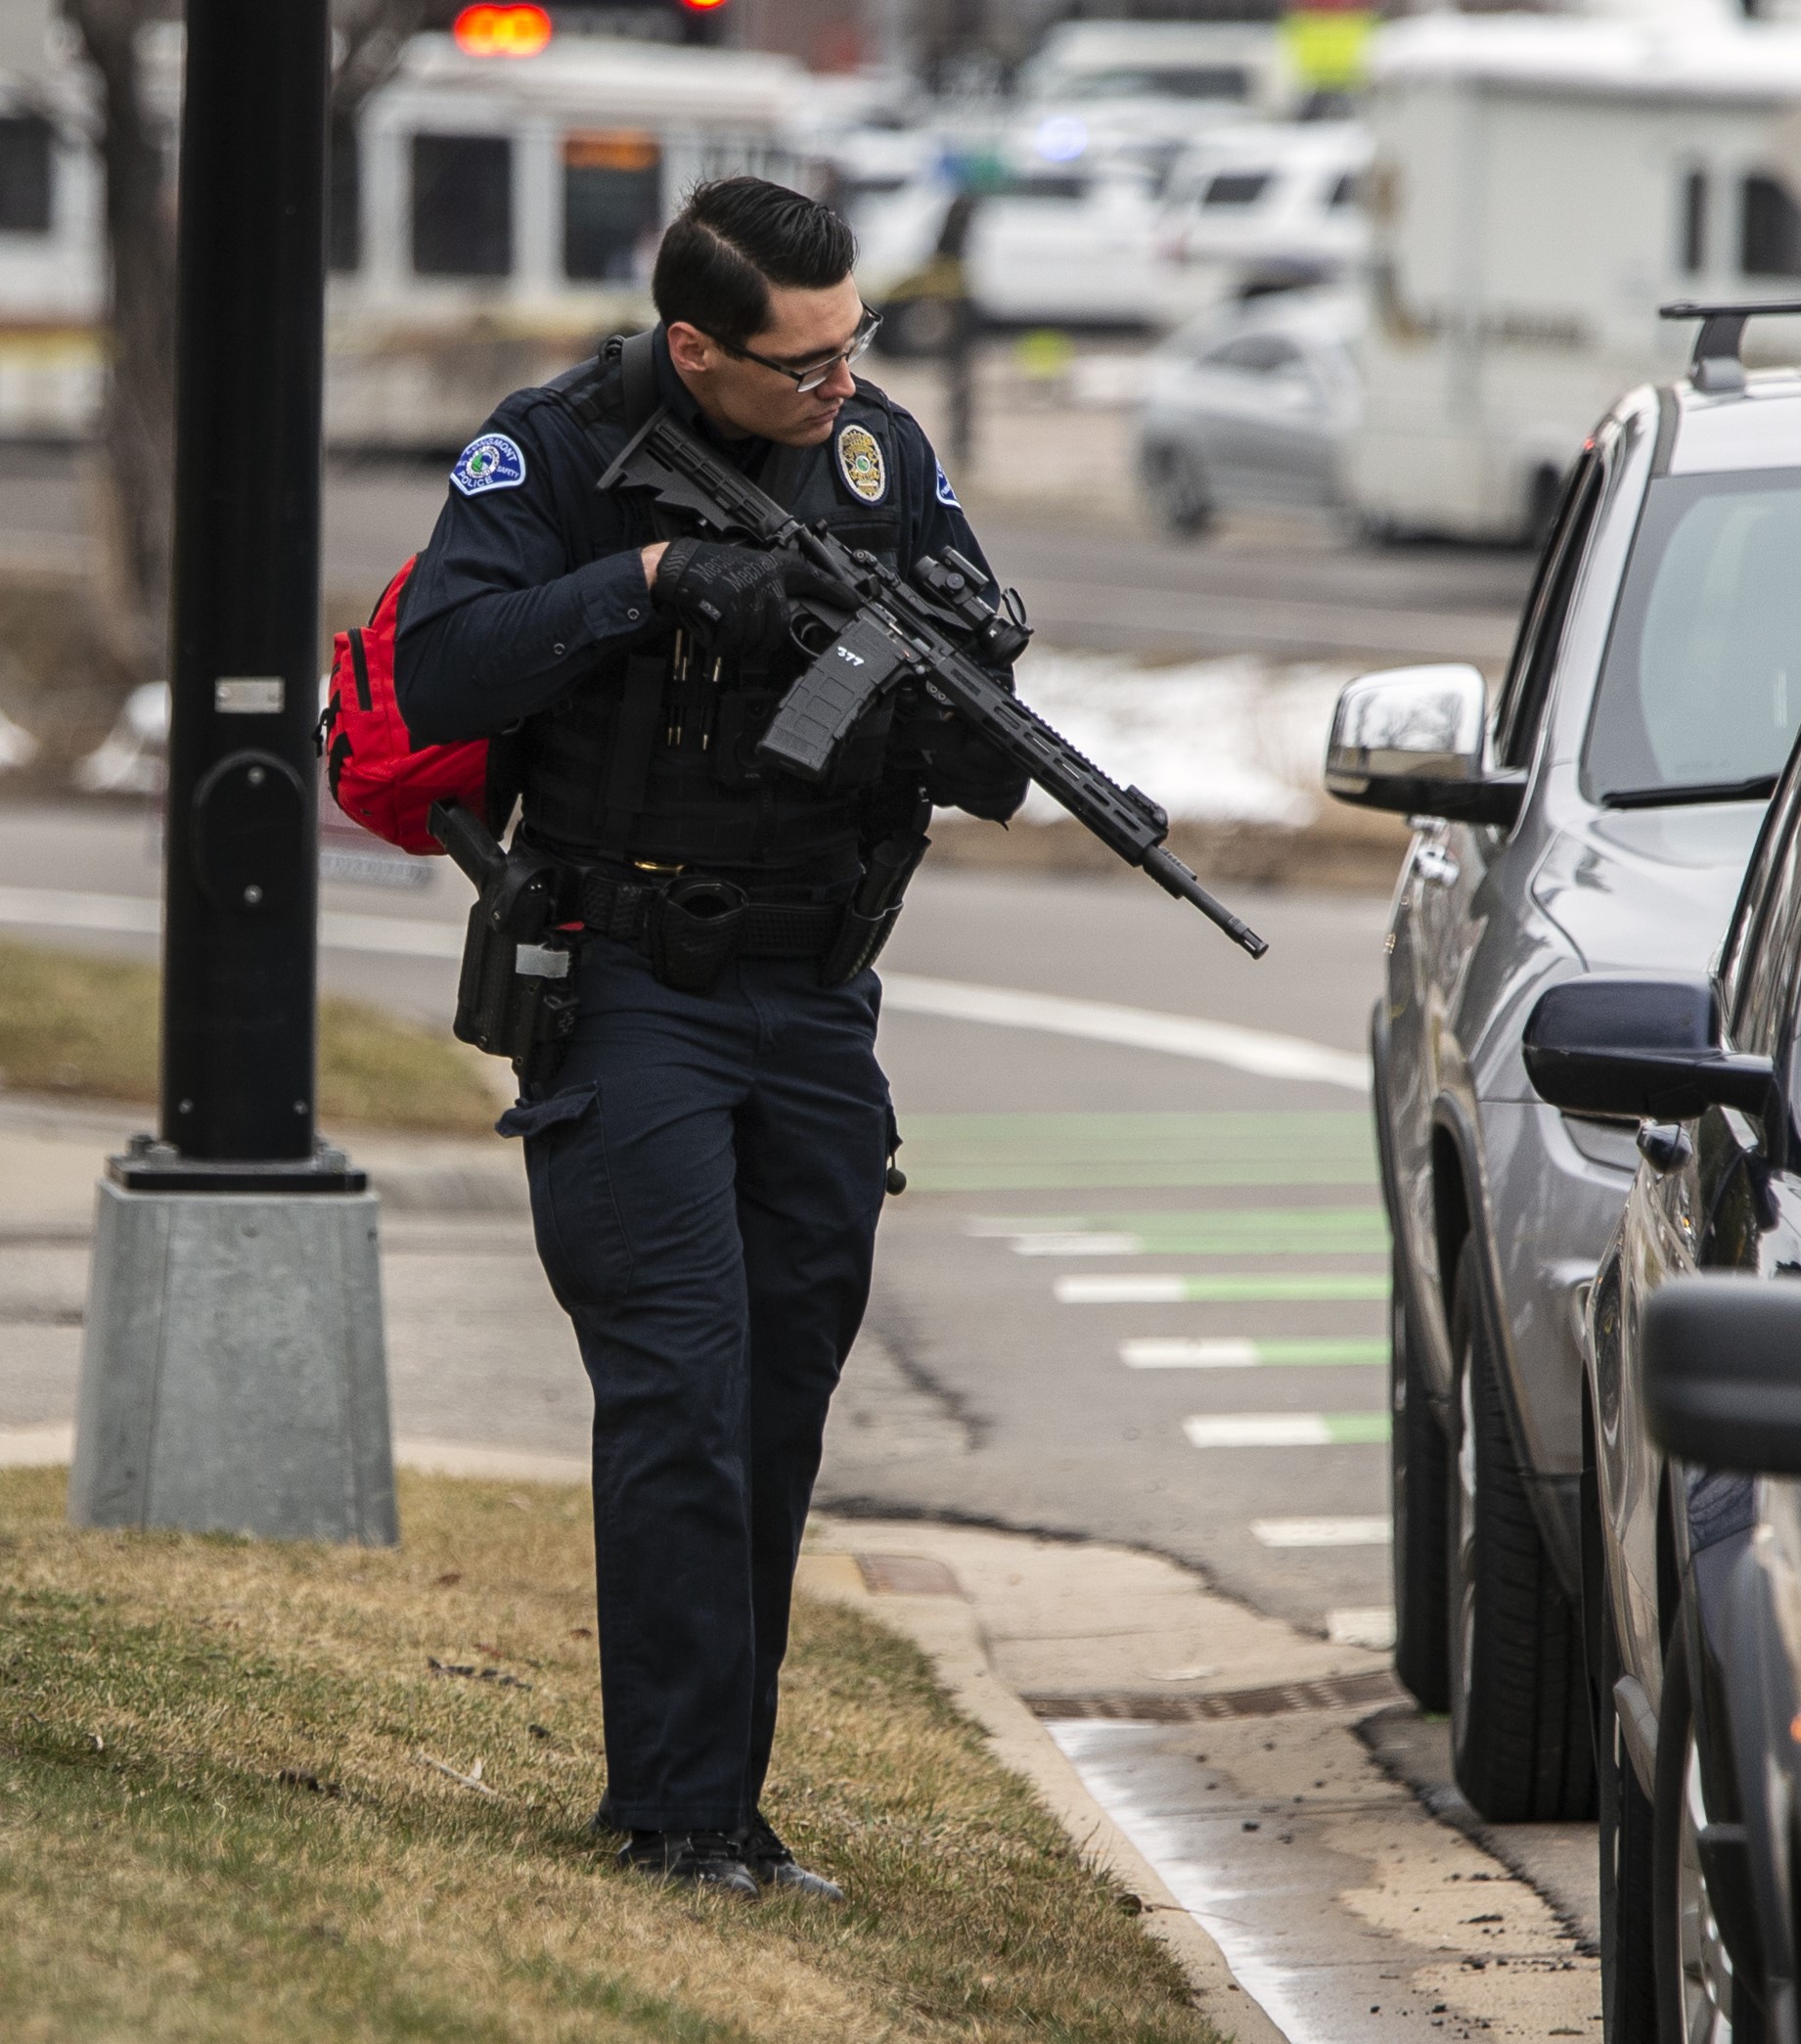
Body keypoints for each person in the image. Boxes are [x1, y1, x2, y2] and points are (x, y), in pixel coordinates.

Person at [396, 177, 1033, 1899]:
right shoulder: (557, 456)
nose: (840, 385)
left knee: (775, 1400)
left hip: (817, 996)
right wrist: (662, 578)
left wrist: (958, 684)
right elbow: (437, 672)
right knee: (679, 1386)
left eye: (856, 345)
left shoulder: (878, 456)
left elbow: (974, 651)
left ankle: (720, 1806)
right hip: (630, 981)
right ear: (695, 345)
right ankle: (677, 1818)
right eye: (802, 361)